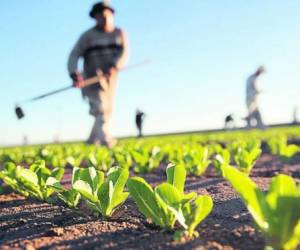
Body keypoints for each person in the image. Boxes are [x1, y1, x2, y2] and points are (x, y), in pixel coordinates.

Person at [67, 2, 129, 147]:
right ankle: (106, 142)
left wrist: (115, 66)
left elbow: (124, 52)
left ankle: (91, 141)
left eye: (107, 14)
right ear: (95, 17)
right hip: (91, 79)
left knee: (106, 111)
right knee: (100, 109)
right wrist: (74, 73)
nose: (104, 18)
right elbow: (74, 55)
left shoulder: (119, 33)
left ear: (112, 15)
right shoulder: (87, 36)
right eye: (100, 15)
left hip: (110, 81)